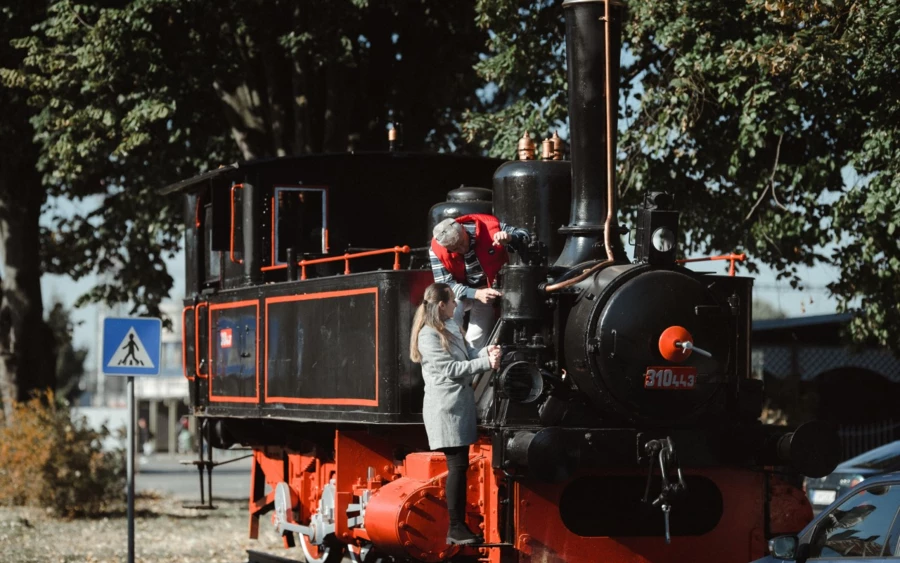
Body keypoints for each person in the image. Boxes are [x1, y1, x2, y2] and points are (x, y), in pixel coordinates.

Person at [410, 283, 502, 546]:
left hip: (458, 405)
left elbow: (468, 354)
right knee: (457, 467)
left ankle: (458, 527)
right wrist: (486, 363)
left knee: (460, 467)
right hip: (446, 407)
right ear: (441, 305)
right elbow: (450, 368)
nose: (456, 305)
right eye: (453, 301)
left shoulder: (449, 326)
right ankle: (455, 527)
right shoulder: (427, 335)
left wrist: (488, 352)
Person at [430, 214, 530, 349]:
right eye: (454, 249)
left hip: (489, 291)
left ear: (464, 229)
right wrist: (475, 293)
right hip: (458, 294)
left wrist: (510, 237)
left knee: (476, 340)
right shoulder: (436, 249)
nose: (462, 249)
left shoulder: (490, 228)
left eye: (462, 242)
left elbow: (526, 234)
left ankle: (473, 363)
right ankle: (452, 358)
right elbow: (445, 286)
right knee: (449, 322)